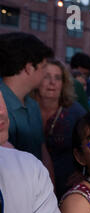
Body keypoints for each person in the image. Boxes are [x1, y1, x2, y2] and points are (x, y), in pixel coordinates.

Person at [0, 32, 55, 183]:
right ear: (29, 68)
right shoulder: (2, 107)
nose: (45, 73)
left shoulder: (32, 104)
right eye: (43, 67)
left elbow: (42, 150)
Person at [32, 59, 87, 199]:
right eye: (47, 77)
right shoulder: (25, 108)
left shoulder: (76, 113)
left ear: (64, 84)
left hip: (65, 187)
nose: (52, 82)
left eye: (58, 78)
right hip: (28, 184)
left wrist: (85, 172)